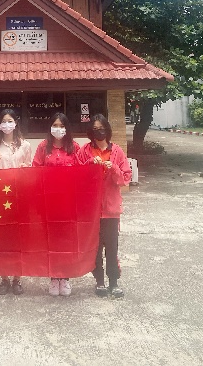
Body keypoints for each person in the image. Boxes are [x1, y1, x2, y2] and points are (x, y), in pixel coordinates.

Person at [77, 114, 132, 298]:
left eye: (101, 128)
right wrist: (89, 164)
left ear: (107, 130)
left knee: (112, 248)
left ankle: (114, 282)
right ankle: (99, 281)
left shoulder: (117, 151)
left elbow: (125, 178)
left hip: (110, 210)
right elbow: (76, 176)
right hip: (91, 210)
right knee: (95, 248)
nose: (98, 132)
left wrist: (113, 168)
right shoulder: (85, 151)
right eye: (95, 129)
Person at [33, 112, 80, 297]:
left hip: (68, 202)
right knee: (50, 241)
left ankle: (65, 277)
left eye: (61, 126)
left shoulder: (74, 147)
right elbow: (35, 171)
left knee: (66, 240)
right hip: (48, 202)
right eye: (55, 125)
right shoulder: (43, 147)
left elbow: (82, 172)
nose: (58, 129)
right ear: (50, 127)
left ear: (67, 128)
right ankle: (53, 278)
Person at [0, 108, 32, 295]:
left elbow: (31, 169)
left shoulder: (25, 145)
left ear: (16, 123)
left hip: (19, 196)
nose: (7, 124)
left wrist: (25, 167)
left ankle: (17, 278)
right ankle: (4, 278)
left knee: (19, 238)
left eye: (10, 121)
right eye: (3, 121)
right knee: (2, 238)